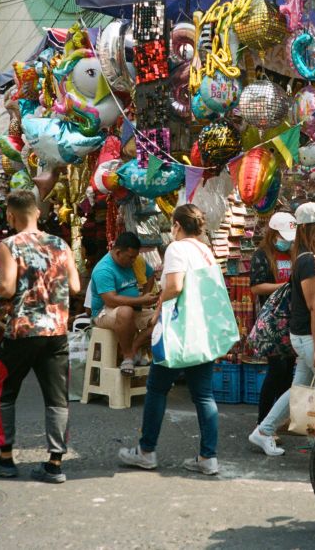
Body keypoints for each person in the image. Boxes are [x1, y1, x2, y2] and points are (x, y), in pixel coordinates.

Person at [0, 190, 80, 484]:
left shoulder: (9, 245)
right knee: (57, 398)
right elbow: (76, 286)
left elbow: (5, 289)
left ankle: (5, 458)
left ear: (10, 215)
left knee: (4, 393)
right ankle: (55, 463)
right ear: (38, 213)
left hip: (22, 330)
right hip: (56, 331)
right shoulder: (60, 244)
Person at [118, 204, 222, 476]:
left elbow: (175, 286)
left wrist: (159, 310)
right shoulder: (205, 250)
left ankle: (146, 451)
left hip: (179, 330)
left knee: (156, 389)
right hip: (202, 330)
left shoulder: (177, 248)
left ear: (176, 225)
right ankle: (208, 458)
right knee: (203, 395)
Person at [248, 202, 315, 457]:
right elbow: (314, 307)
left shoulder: (309, 258)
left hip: (309, 335)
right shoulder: (308, 261)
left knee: (299, 391)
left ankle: (263, 431)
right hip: (313, 336)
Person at [249, 211, 297, 422]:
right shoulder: (262, 255)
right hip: (273, 321)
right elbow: (256, 287)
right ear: (273, 233)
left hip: (293, 320)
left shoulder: (295, 254)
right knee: (276, 370)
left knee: (287, 372)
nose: (286, 241)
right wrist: (284, 287)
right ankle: (264, 420)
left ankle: (280, 421)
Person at [90, 232, 159, 376]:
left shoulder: (136, 260)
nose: (133, 260)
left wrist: (145, 296)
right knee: (126, 312)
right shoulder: (103, 269)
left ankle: (133, 348)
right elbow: (111, 300)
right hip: (104, 312)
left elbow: (150, 274)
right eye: (130, 257)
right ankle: (128, 357)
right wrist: (141, 300)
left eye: (135, 256)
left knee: (164, 318)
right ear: (118, 252)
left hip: (133, 308)